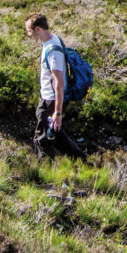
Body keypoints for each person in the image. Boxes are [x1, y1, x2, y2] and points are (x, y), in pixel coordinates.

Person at [25, 13, 86, 160]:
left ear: (38, 29)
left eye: (29, 31)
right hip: (51, 99)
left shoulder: (52, 51)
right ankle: (80, 160)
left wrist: (57, 113)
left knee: (41, 139)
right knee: (56, 134)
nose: (28, 34)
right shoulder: (54, 39)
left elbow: (59, 82)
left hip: (51, 100)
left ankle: (44, 172)